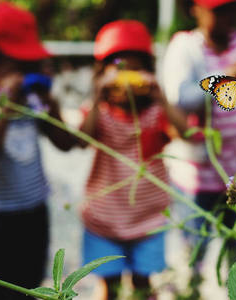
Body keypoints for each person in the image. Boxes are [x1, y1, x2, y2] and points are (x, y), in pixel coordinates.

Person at [162, 0, 236, 282]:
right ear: (196, 10)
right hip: (199, 173)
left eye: (230, 8)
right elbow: (180, 98)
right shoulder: (185, 47)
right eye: (217, 10)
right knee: (195, 248)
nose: (226, 16)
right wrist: (226, 77)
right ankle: (190, 289)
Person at [0, 3, 73, 299]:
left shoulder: (34, 103)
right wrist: (4, 111)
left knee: (32, 288)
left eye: (29, 67)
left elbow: (65, 143)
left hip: (35, 213)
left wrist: (53, 105)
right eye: (16, 67)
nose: (23, 76)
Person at [79, 20, 187, 300]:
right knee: (108, 287)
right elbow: (82, 140)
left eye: (134, 69)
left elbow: (185, 132)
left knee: (143, 284)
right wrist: (97, 97)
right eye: (118, 69)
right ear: (101, 73)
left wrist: (161, 97)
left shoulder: (156, 113)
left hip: (149, 219)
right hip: (104, 218)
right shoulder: (99, 113)